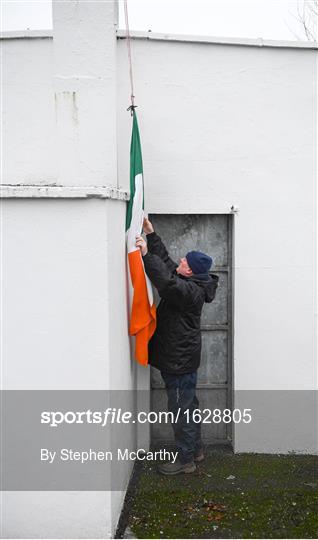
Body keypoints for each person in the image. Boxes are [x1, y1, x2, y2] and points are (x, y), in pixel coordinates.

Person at [135, 217, 219, 475]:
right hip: (182, 359)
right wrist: (152, 234)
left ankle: (185, 460)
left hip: (179, 362)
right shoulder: (192, 282)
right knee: (188, 406)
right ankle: (195, 450)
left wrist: (146, 255)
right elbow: (170, 266)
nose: (180, 261)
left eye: (185, 261)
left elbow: (167, 281)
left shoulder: (188, 291)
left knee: (181, 410)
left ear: (191, 271)